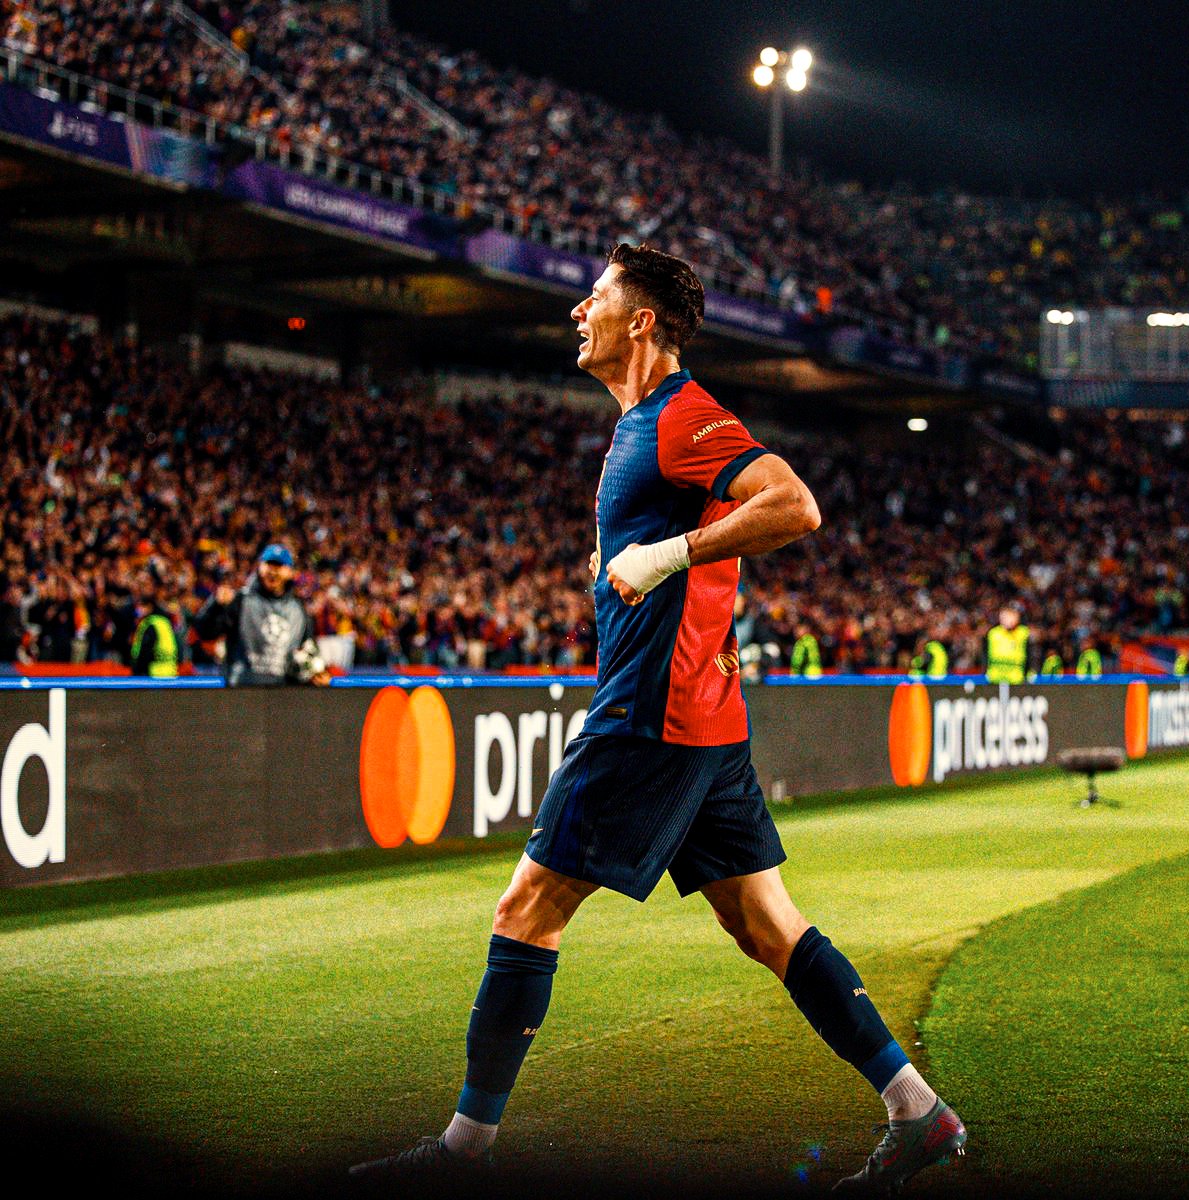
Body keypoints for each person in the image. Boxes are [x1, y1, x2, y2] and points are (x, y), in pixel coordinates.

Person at [352, 244, 966, 1191]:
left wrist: (670, 552)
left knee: (527, 908)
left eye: (595, 296)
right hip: (705, 720)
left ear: (640, 321)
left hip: (652, 717)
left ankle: (463, 1154)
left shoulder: (682, 417)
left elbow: (795, 506)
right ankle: (918, 1111)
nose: (577, 310)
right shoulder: (639, 423)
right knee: (766, 925)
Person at [192, 545, 330, 687]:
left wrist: (317, 673)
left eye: (279, 566)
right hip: (242, 690)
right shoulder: (241, 600)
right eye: (269, 565)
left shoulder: (299, 610)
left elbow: (309, 649)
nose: (273, 571)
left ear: (290, 572)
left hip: (282, 693)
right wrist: (216, 605)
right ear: (260, 567)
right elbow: (205, 632)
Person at [130, 581, 181, 678]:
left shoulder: (150, 623)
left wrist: (137, 671)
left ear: (149, 607)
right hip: (170, 672)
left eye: (141, 606)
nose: (138, 609)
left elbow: (145, 652)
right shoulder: (164, 622)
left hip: (152, 675)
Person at [985, 605, 1030, 684]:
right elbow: (985, 654)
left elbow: (1030, 653)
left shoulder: (1023, 633)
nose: (1007, 620)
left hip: (1017, 678)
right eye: (1004, 617)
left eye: (1010, 617)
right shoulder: (993, 633)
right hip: (995, 678)